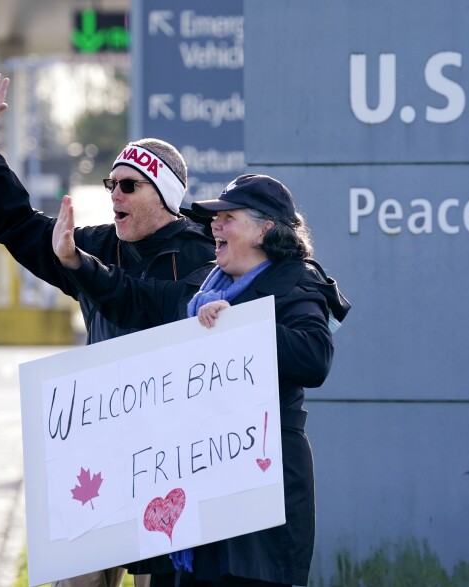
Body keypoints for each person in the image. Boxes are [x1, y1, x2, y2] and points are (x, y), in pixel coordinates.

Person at [0, 72, 215, 587]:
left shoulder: (204, 253)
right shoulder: (95, 245)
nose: (113, 194)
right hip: (102, 448)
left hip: (173, 456)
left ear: (163, 194)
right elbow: (19, 226)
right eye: (110, 184)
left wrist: (83, 267)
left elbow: (164, 308)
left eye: (127, 185)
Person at [52, 173, 351, 587]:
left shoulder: (297, 284)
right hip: (200, 494)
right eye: (215, 218)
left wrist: (236, 327)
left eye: (227, 217)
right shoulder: (203, 289)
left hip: (262, 496)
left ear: (265, 229)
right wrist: (75, 261)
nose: (214, 226)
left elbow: (314, 358)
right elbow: (132, 297)